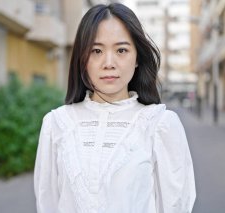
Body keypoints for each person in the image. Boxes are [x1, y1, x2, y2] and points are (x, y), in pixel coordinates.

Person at [34, 3, 196, 213]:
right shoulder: (56, 124)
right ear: (82, 59)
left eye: (121, 50)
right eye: (96, 50)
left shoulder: (159, 124)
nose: (108, 63)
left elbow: (176, 206)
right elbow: (47, 204)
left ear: (137, 57)